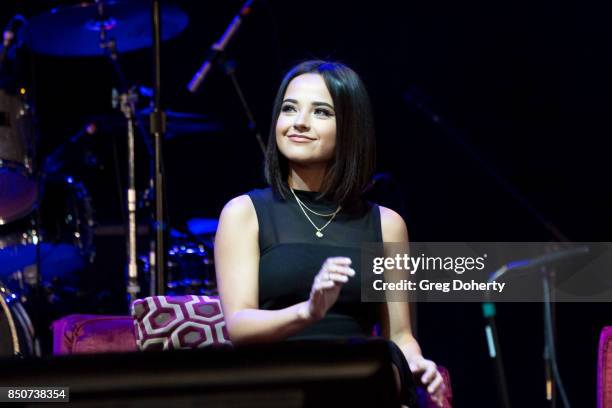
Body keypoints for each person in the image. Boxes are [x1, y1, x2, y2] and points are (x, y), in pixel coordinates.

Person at [214, 60, 445, 407]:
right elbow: (240, 325)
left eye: (321, 112)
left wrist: (417, 364)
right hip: (277, 385)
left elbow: (400, 335)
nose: (299, 122)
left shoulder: (386, 224)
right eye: (289, 109)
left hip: (359, 384)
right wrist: (308, 311)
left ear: (350, 129)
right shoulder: (244, 212)